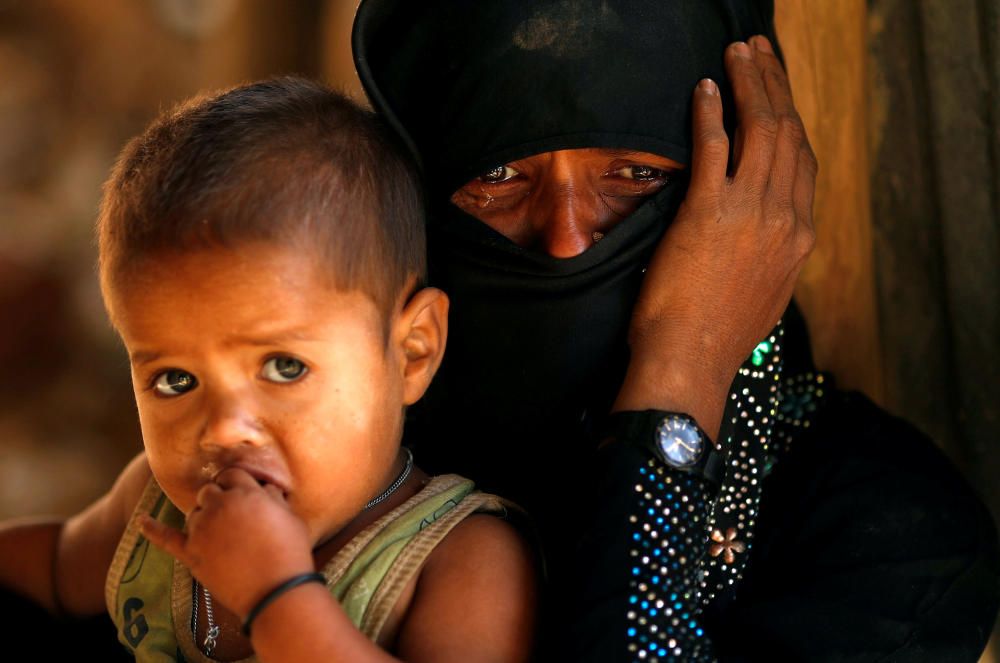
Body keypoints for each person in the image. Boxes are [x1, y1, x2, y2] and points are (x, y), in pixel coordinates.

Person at [352, 1, 1000, 661]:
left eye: (636, 176)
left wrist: (682, 372)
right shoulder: (334, 469)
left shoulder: (894, 544)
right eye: (497, 177)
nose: (568, 241)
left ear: (757, 188)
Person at [0, 78, 537, 662]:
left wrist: (276, 597)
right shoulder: (151, 509)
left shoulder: (458, 560)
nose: (226, 429)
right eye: (176, 381)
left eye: (283, 367)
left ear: (412, 353)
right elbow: (49, 567)